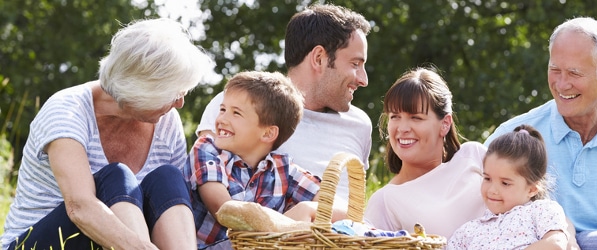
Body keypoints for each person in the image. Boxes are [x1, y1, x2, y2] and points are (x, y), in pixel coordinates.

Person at [0, 18, 212, 250]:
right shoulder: (66, 111)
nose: (180, 104)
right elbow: (80, 208)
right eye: (173, 94)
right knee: (117, 176)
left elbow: (170, 206)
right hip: (38, 243)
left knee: (168, 177)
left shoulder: (166, 121)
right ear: (141, 90)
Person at [484, 17, 597, 250]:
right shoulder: (510, 138)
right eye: (555, 70)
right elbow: (479, 219)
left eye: (574, 73)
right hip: (551, 245)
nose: (562, 85)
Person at [363, 67, 570, 249]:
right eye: (394, 117)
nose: (403, 128)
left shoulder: (473, 156)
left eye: (416, 118)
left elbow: (543, 210)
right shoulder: (386, 200)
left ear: (444, 124)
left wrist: (568, 242)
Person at [196, 3, 372, 200]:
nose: (363, 80)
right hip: (259, 229)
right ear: (319, 58)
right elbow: (208, 179)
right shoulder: (236, 105)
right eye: (355, 64)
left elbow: (355, 208)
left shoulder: (360, 125)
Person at [184, 71, 325, 249]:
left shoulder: (283, 168)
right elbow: (224, 209)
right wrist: (286, 224)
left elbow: (330, 202)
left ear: (268, 133)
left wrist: (308, 209)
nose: (221, 119)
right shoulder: (208, 149)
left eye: (236, 113)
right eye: (223, 109)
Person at [448, 125, 569, 249]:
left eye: (505, 183)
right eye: (487, 179)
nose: (492, 190)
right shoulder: (467, 232)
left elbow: (556, 244)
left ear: (532, 189)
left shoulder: (541, 210)